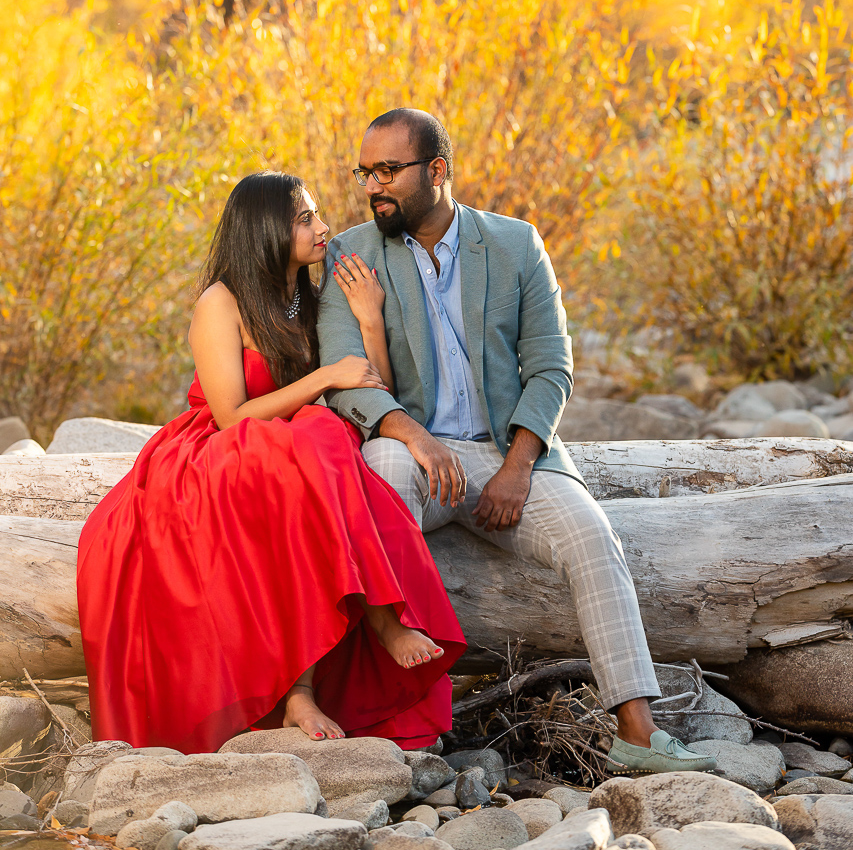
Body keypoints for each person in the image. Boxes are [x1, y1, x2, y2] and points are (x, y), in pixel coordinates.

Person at [317, 108, 715, 776]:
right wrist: (415, 435)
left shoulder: (514, 244)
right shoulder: (350, 255)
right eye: (365, 172)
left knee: (593, 539)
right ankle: (384, 721)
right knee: (380, 473)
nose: (371, 186)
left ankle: (637, 732)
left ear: (436, 171)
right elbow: (347, 382)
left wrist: (518, 466)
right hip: (413, 453)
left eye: (387, 170)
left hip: (509, 455)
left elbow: (552, 366)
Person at [77, 171, 465, 755]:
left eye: (317, 214)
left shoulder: (314, 296)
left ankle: (313, 678)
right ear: (264, 230)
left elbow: (366, 384)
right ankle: (352, 643)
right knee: (317, 433)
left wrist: (366, 320)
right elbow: (233, 415)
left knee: (322, 433)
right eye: (305, 218)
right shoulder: (221, 302)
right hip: (216, 450)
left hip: (297, 449)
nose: (323, 227)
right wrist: (322, 379)